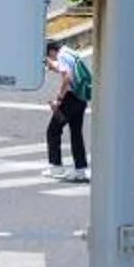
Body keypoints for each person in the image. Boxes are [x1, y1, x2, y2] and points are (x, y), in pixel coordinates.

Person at [44, 37, 93, 179]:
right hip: (81, 96)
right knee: (76, 133)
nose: (49, 57)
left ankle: (56, 166)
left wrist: (58, 99)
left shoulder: (61, 56)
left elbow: (67, 77)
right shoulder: (69, 52)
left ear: (52, 51)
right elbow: (61, 67)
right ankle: (80, 170)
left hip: (71, 97)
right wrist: (50, 64)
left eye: (48, 55)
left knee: (53, 129)